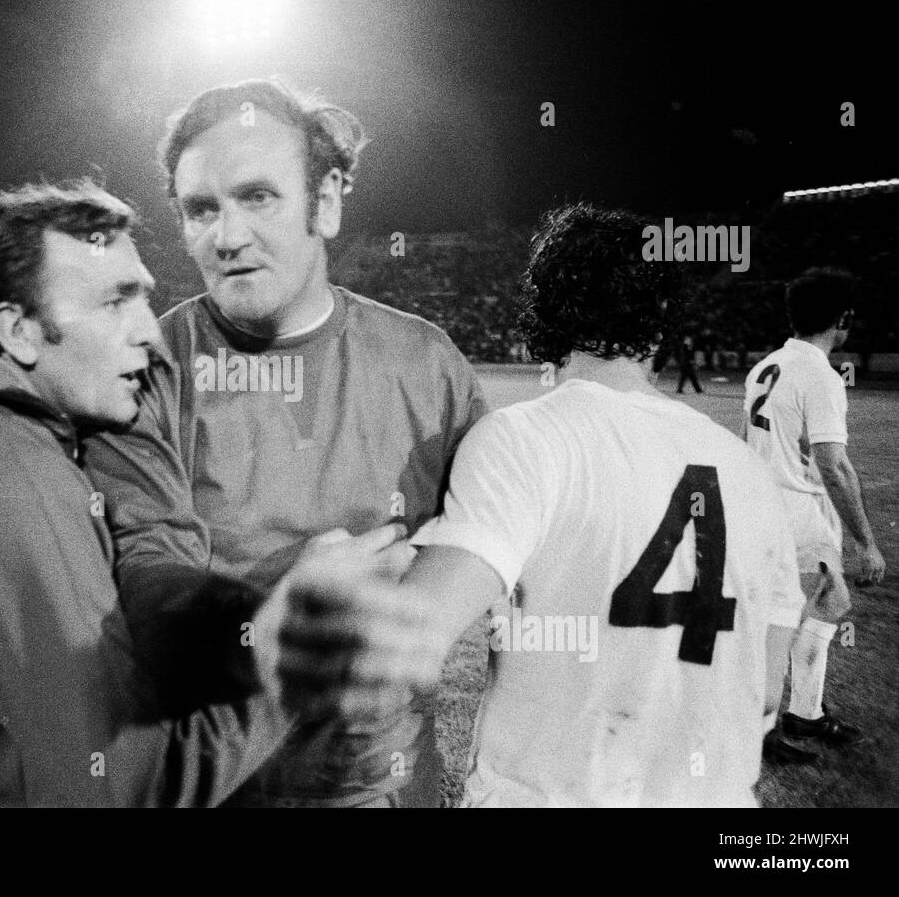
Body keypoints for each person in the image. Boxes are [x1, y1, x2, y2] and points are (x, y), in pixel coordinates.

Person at [0, 180, 412, 806]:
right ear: (19, 331)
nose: (149, 332)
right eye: (115, 303)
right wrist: (292, 655)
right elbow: (130, 787)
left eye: (144, 297)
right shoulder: (13, 482)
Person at [277, 203, 806, 806]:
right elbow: (764, 693)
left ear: (547, 309)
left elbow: (399, 649)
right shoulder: (748, 471)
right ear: (662, 320)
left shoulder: (524, 438)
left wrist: (309, 596)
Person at [84, 78, 488, 807]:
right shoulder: (145, 369)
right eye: (201, 209)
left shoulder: (427, 365)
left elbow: (504, 546)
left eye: (258, 197)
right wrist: (272, 608)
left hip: (384, 789)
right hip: (220, 783)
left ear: (326, 201)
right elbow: (144, 589)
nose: (227, 236)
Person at [743, 267, 886, 764]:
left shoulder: (765, 366)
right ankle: (757, 733)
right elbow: (833, 463)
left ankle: (804, 712)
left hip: (769, 507)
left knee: (832, 602)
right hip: (795, 514)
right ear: (842, 319)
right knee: (776, 627)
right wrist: (866, 542)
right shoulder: (819, 375)